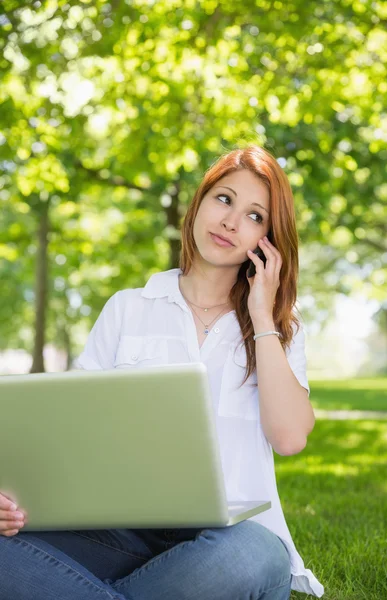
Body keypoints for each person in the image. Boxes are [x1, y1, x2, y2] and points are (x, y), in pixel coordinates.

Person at [0, 144, 324, 599]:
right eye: (225, 199)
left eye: (255, 216)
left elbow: (290, 437)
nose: (231, 222)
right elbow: (71, 432)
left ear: (268, 242)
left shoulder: (279, 327)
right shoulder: (128, 308)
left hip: (230, 542)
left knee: (254, 556)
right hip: (123, 534)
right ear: (199, 204)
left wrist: (263, 318)